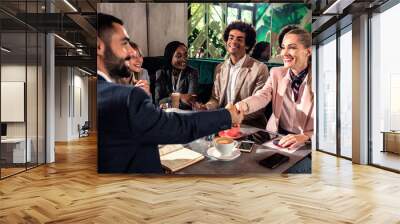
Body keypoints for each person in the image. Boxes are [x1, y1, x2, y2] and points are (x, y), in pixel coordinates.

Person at [97, 13, 243, 173]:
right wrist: (227, 115)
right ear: (99, 46)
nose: (132, 53)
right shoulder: (128, 96)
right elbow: (175, 125)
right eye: (124, 43)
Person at [236, 28, 313, 149]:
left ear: (308, 51)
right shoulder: (276, 73)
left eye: (292, 47)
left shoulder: (321, 79)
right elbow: (262, 96)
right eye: (283, 47)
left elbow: (331, 124)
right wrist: (242, 105)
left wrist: (306, 136)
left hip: (309, 142)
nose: (284, 53)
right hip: (277, 136)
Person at [194, 21, 269, 129]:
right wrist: (206, 107)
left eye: (239, 39)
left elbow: (259, 107)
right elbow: (215, 99)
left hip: (249, 126)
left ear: (247, 45)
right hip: (223, 124)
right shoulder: (220, 68)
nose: (233, 42)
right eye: (231, 38)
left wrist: (230, 117)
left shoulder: (260, 68)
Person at [154, 41, 198, 109]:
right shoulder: (160, 73)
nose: (184, 59)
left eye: (185, 55)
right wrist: (180, 97)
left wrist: (171, 97)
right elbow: (158, 102)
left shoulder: (192, 73)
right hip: (165, 114)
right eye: (179, 56)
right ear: (170, 57)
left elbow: (191, 100)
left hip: (184, 114)